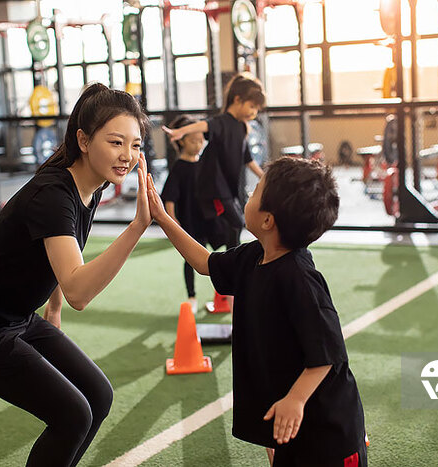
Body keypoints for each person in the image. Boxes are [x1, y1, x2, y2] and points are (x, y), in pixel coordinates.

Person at [0, 83, 151, 467]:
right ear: (83, 140)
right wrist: (136, 228)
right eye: (116, 143)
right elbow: (80, 289)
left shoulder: (91, 185)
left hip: (15, 317)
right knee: (73, 415)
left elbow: (62, 252)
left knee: (98, 396)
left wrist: (54, 310)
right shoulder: (53, 194)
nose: (127, 157)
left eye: (135, 145)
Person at [146, 157, 368, 467]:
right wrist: (162, 217)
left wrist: (296, 400)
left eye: (255, 192)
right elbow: (205, 263)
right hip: (291, 425)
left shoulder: (300, 279)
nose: (247, 194)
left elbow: (329, 355)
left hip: (328, 432)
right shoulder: (255, 256)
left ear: (268, 221)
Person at [162, 73, 266, 250]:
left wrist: (265, 177)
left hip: (228, 189)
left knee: (233, 226)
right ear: (237, 99)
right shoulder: (223, 122)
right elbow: (204, 125)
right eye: (251, 106)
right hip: (215, 189)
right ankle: (233, 259)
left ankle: (231, 257)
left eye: (257, 109)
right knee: (237, 222)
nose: (254, 112)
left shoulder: (242, 128)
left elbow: (248, 159)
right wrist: (181, 131)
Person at [160, 115, 211, 310]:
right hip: (190, 222)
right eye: (193, 141)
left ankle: (223, 294)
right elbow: (169, 199)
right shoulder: (179, 168)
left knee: (217, 254)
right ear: (181, 141)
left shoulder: (204, 164)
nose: (198, 145)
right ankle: (192, 296)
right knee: (191, 260)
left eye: (200, 141)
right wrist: (173, 223)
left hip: (208, 219)